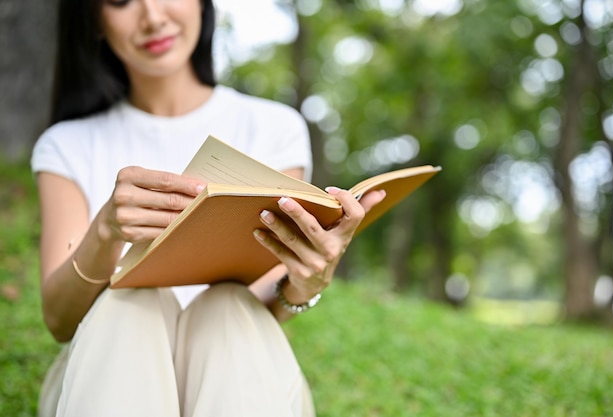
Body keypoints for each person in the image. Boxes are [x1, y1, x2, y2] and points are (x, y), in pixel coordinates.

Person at [31, 0, 386, 416]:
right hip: (106, 370)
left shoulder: (273, 127)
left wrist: (304, 283)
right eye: (122, 1)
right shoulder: (67, 145)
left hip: (233, 369)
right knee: (131, 302)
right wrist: (106, 232)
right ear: (91, 19)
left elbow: (260, 299)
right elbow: (59, 320)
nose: (153, 16)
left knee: (226, 306)